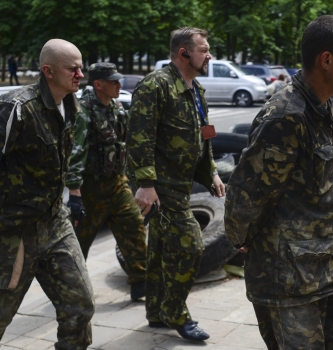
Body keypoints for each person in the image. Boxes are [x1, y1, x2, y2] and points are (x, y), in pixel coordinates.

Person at [224, 15, 333, 350]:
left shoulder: (327, 107)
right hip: (287, 278)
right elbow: (246, 195)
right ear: (327, 60)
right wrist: (240, 237)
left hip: (329, 267)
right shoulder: (286, 116)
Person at [0, 39, 94, 350]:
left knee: (80, 306)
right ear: (48, 71)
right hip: (11, 230)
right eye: (73, 69)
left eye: (81, 67)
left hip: (54, 224)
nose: (80, 75)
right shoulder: (16, 108)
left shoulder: (73, 106)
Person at [127, 26, 225, 342]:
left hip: (182, 185)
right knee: (191, 247)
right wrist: (145, 184)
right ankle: (176, 312)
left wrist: (210, 172)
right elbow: (139, 139)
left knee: (158, 250)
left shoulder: (195, 89)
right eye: (204, 49)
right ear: (184, 53)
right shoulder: (155, 86)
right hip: (161, 185)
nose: (209, 55)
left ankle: (156, 312)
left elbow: (206, 132)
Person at [66, 62, 148, 300]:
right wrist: (75, 193)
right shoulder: (83, 112)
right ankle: (71, 290)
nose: (119, 85)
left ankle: (140, 283)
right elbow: (75, 152)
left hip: (117, 183)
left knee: (134, 226)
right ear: (98, 84)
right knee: (79, 242)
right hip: (91, 189)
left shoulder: (116, 106)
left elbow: (124, 142)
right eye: (113, 81)